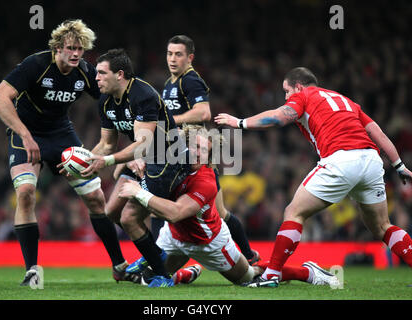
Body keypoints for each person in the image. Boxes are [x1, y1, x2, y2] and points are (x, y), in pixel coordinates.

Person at [215, 67, 412, 287]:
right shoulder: (343, 99)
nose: (287, 97)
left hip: (341, 159)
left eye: (286, 91)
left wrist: (240, 122)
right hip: (371, 160)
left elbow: (280, 117)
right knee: (383, 226)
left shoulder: (303, 95)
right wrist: (399, 164)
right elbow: (377, 132)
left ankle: (271, 275)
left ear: (298, 86)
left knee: (293, 212)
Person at [0, 19, 128, 286]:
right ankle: (32, 271)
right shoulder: (36, 65)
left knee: (97, 199)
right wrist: (26, 136)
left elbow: (112, 101)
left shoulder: (86, 72)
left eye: (80, 49)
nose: (76, 54)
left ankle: (119, 265)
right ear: (57, 48)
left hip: (62, 135)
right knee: (26, 193)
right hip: (26, 135)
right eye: (70, 48)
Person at [119, 125, 339, 287]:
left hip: (209, 242)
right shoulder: (171, 161)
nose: (197, 152)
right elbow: (142, 152)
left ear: (209, 156)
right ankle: (185, 274)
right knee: (148, 279)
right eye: (194, 146)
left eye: (203, 150)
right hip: (175, 237)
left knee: (250, 278)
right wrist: (132, 160)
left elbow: (176, 213)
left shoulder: (205, 181)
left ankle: (306, 272)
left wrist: (139, 192)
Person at [81, 48, 190, 287]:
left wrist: (110, 161)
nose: (95, 78)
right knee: (111, 212)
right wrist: (84, 160)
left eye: (101, 73)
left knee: (129, 218)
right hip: (144, 158)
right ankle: (155, 253)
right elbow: (107, 143)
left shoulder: (142, 94)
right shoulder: (106, 100)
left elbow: (144, 142)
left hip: (168, 161)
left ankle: (162, 275)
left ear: (119, 74)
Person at [155, 34, 260, 265]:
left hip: (192, 156)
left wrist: (172, 121)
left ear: (190, 57)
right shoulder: (170, 82)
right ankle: (249, 256)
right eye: (169, 53)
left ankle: (249, 257)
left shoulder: (191, 80)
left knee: (163, 206)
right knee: (168, 207)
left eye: (178, 54)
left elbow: (204, 113)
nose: (172, 59)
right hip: (177, 154)